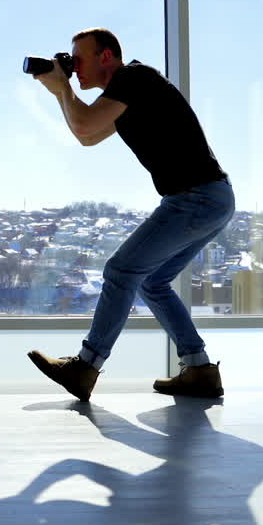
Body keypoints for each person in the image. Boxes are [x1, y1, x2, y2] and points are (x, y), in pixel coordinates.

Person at [27, 28, 234, 401]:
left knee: (121, 271)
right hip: (209, 198)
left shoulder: (135, 78)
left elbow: (85, 124)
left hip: (196, 197)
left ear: (107, 56)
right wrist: (62, 91)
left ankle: (84, 368)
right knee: (152, 281)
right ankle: (200, 370)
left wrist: (63, 88)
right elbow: (86, 135)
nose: (75, 69)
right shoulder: (125, 96)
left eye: (80, 59)